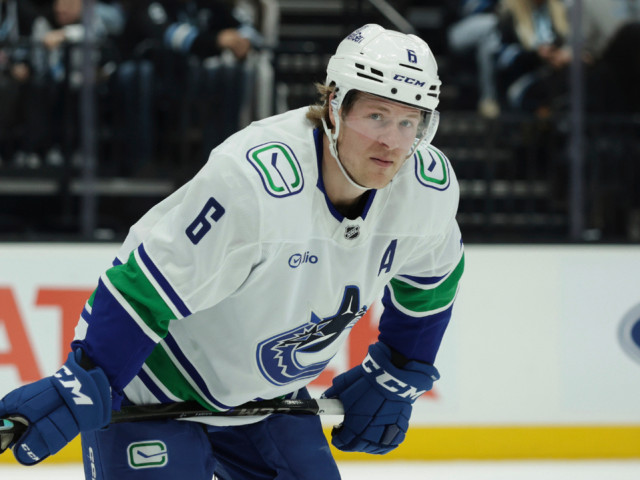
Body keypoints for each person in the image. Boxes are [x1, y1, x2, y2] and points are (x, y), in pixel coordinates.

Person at [0, 24, 465, 480]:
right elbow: (143, 289)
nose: (391, 141)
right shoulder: (254, 181)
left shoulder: (426, 188)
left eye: (409, 122)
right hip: (153, 384)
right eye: (377, 116)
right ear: (334, 106)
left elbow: (433, 282)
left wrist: (398, 370)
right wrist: (87, 377)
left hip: (267, 399)